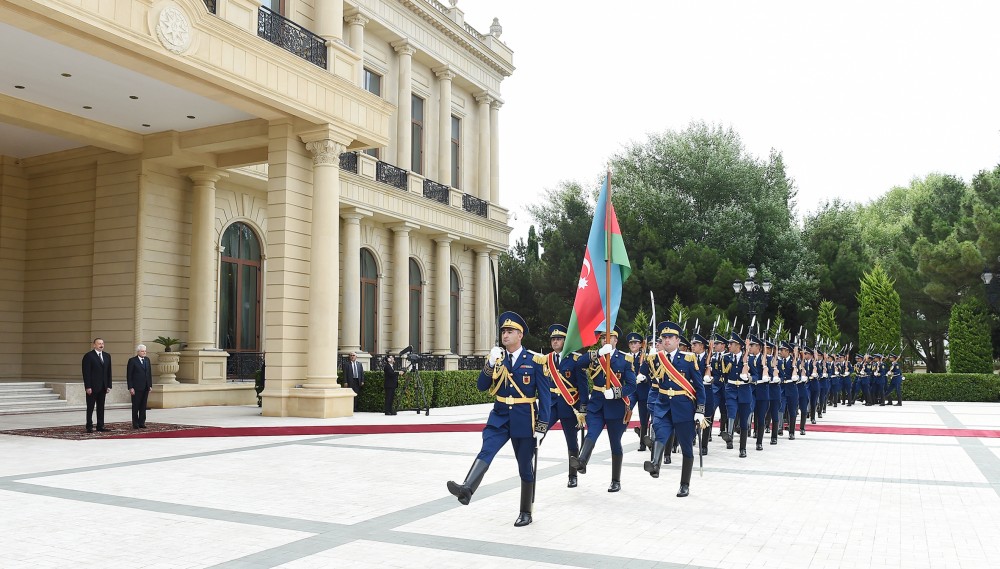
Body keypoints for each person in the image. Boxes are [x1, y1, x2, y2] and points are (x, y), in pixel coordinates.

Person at [446, 311, 550, 527]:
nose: (505, 335)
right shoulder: (497, 359)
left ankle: (525, 512)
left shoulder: (535, 360)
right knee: (487, 449)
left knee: (524, 466)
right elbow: (481, 386)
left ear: (520, 335)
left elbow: (545, 397)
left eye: (510, 331)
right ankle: (467, 488)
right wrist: (490, 364)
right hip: (500, 416)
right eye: (503, 331)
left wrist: (542, 426)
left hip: (524, 419)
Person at [570, 326, 637, 493]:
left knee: (615, 443)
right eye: (602, 338)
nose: (605, 340)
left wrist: (616, 392)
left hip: (616, 406)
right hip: (597, 404)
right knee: (592, 432)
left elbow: (632, 385)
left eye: (609, 337)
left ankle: (616, 480)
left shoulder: (625, 359)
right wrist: (598, 353)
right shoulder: (595, 357)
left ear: (615, 340)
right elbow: (579, 364)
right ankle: (582, 461)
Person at [643, 320, 705, 497]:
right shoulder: (656, 359)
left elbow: (699, 388)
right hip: (663, 406)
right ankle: (655, 464)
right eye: (664, 337)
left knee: (686, 448)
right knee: (660, 434)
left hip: (684, 408)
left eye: (670, 337)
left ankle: (684, 484)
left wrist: (700, 410)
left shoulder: (688, 359)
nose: (667, 340)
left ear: (678, 340)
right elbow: (651, 380)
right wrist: (650, 357)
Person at [543, 324, 587, 488]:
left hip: (570, 406)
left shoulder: (575, 359)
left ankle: (572, 475)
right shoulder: (546, 360)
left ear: (565, 341)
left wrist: (583, 407)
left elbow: (583, 386)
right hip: (552, 405)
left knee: (571, 442)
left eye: (559, 339)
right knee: (539, 433)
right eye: (553, 339)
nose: (555, 342)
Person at [82, 337, 112, 433]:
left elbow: (109, 372)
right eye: (99, 343)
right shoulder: (89, 356)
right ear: (94, 345)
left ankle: (100, 425)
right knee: (90, 407)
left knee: (101, 407)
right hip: (92, 386)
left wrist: (109, 385)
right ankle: (89, 426)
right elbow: (86, 372)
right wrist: (88, 386)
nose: (101, 345)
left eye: (102, 343)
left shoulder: (107, 356)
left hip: (103, 386)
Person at [626, 332, 650, 452]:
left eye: (635, 342)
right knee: (626, 408)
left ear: (641, 344)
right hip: (630, 390)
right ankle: (620, 431)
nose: (633, 344)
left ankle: (642, 443)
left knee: (643, 417)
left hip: (643, 390)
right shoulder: (625, 357)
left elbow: (652, 373)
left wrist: (645, 378)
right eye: (631, 343)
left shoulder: (645, 357)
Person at [126, 344, 153, 429]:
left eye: (145, 351)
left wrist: (150, 385)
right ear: (138, 352)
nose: (144, 352)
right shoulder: (132, 361)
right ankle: (135, 423)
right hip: (136, 387)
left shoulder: (147, 360)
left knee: (143, 405)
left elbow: (149, 374)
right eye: (142, 351)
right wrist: (131, 387)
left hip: (145, 387)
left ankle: (142, 422)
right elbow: (129, 375)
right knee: (136, 405)